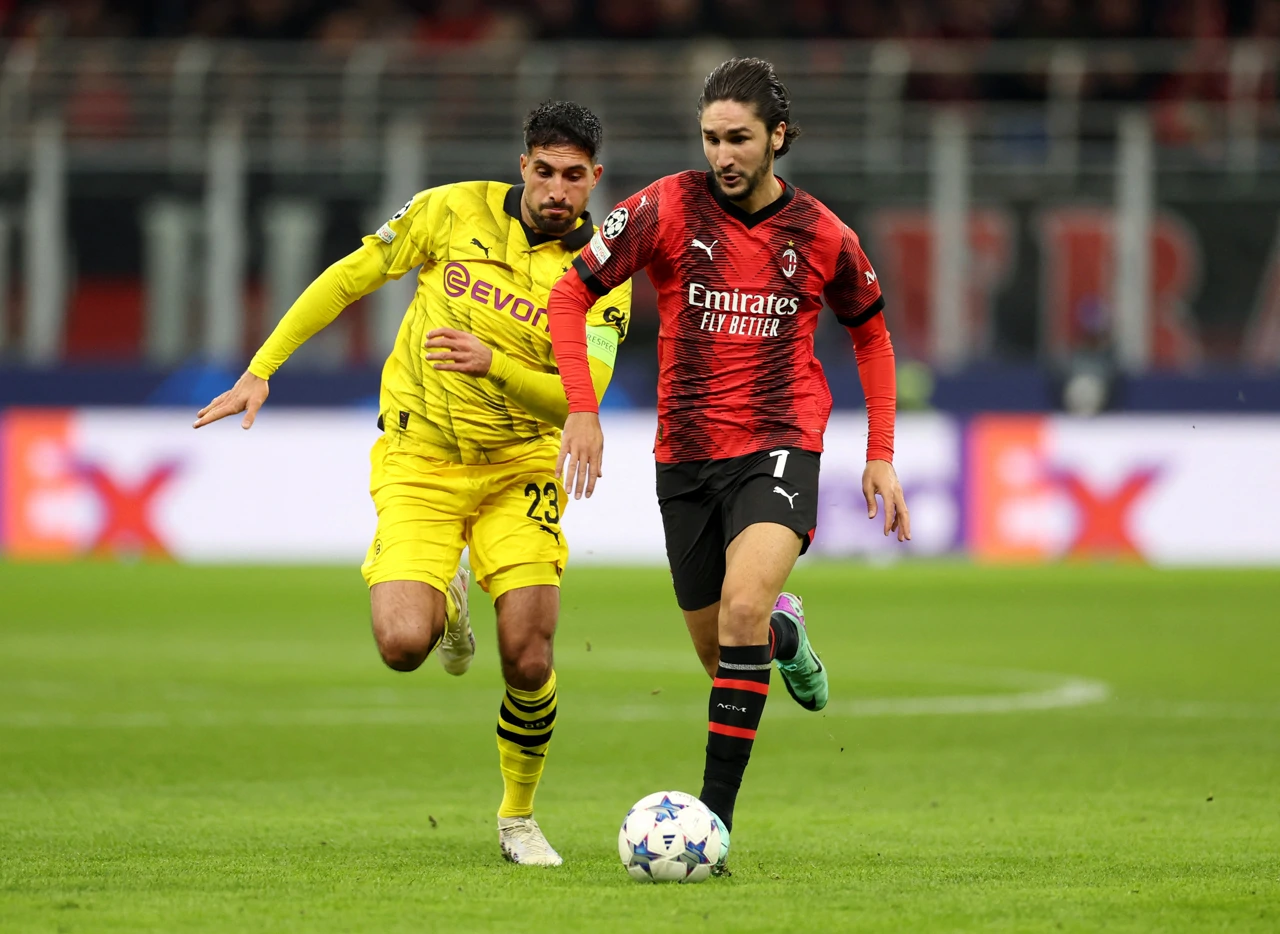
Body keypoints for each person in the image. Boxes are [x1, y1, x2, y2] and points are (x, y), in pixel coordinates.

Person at [193, 101, 632, 867]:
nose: (558, 190)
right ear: (522, 165)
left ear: (594, 179)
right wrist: (261, 370)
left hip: (520, 465)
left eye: (574, 177)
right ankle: (447, 598)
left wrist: (492, 363)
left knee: (528, 655)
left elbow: (579, 396)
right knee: (401, 645)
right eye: (544, 171)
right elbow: (350, 277)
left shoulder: (604, 270)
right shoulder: (447, 210)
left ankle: (518, 819)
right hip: (421, 458)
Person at [545, 58, 909, 874]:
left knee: (738, 615)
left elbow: (872, 335)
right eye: (711, 138)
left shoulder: (822, 236)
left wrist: (879, 453)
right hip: (685, 457)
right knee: (724, 659)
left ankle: (712, 824)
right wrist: (581, 404)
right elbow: (570, 294)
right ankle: (788, 630)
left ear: (777, 137)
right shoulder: (666, 206)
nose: (723, 154)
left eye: (739, 137)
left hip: (781, 443)